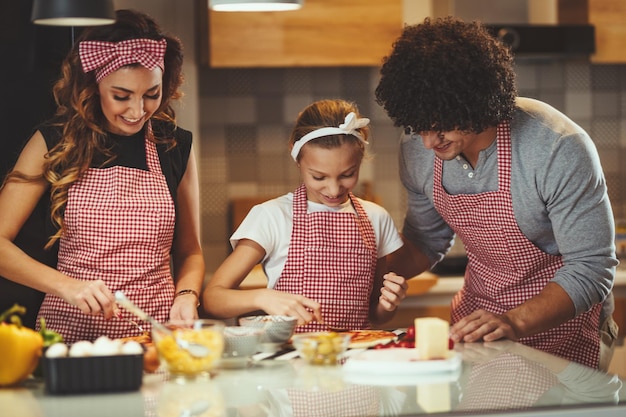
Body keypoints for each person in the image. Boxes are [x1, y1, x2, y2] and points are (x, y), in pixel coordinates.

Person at [374, 17, 618, 369]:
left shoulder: (556, 146)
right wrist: (357, 274)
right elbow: (424, 241)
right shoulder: (418, 147)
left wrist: (514, 322)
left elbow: (591, 268)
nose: (428, 142)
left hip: (564, 327)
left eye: (441, 126)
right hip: (479, 324)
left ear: (475, 102)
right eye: (418, 126)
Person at [0, 9, 204, 343]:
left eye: (151, 94)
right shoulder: (55, 141)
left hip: (155, 339)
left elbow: (190, 251)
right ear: (94, 85)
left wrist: (187, 295)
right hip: (69, 340)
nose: (138, 111)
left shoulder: (174, 145)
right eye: (121, 96)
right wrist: (65, 285)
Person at [203, 99, 407, 332]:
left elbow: (376, 316)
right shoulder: (272, 217)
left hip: (353, 358)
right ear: (296, 155)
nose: (333, 189)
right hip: (293, 360)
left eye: (347, 175)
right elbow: (212, 299)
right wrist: (262, 297)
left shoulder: (376, 218)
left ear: (360, 160)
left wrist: (388, 305)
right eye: (319, 177)